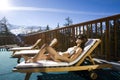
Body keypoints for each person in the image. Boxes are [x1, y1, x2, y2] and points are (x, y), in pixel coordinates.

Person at [23, 34, 88, 63]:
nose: (76, 38)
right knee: (45, 56)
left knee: (45, 46)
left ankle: (32, 60)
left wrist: (59, 58)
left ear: (82, 41)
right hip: (59, 55)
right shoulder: (74, 47)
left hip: (59, 57)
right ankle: (30, 59)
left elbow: (71, 60)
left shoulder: (79, 49)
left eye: (78, 38)